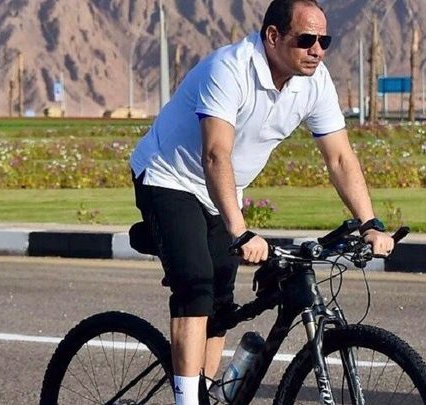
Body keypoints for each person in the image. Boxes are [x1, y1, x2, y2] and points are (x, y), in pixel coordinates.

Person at [129, 0, 395, 403]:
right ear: (273, 36)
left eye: (324, 41)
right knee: (197, 287)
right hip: (168, 176)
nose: (318, 50)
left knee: (220, 303)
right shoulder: (230, 69)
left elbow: (340, 158)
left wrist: (369, 223)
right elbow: (215, 154)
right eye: (306, 40)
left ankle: (204, 394)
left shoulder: (315, 81)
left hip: (220, 190)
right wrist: (240, 231)